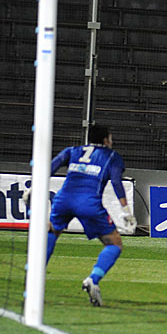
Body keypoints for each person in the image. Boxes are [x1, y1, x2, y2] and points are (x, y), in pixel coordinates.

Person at [25, 125, 137, 306]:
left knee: (52, 232)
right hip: (89, 204)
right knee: (114, 243)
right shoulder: (112, 156)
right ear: (106, 140)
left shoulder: (73, 150)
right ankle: (93, 279)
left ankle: (34, 281)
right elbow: (116, 182)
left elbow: (50, 167)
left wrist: (33, 187)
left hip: (63, 200)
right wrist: (126, 211)